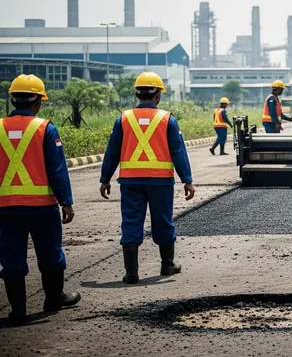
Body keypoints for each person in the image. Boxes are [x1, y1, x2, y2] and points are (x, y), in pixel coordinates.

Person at [99, 72, 196, 285]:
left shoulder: (123, 118)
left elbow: (112, 151)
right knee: (162, 220)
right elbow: (178, 152)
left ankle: (131, 272)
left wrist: (105, 178)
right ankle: (167, 264)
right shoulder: (167, 119)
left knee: (132, 222)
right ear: (158, 95)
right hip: (160, 182)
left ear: (136, 93)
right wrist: (187, 180)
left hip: (130, 181)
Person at [0, 75, 80, 323]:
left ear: (12, 99)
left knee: (11, 258)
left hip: (5, 208)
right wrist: (66, 201)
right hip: (42, 208)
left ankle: (18, 310)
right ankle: (54, 298)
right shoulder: (45, 128)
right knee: (50, 253)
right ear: (38, 102)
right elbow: (57, 169)